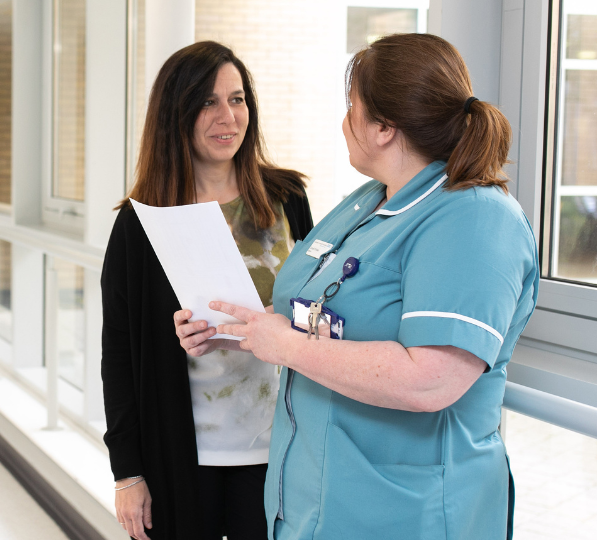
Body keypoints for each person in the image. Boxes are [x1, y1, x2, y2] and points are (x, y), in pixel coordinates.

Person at [182, 33, 538, 540]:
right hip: (314, 502)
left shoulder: (474, 218)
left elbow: (431, 380)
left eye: (352, 107)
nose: (345, 120)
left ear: (385, 127)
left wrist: (285, 346)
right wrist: (246, 330)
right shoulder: (369, 201)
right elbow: (322, 318)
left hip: (406, 513)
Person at [102, 41, 314, 540]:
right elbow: (119, 354)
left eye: (237, 99)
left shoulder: (288, 199)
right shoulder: (140, 224)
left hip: (280, 448)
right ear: (175, 114)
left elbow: (321, 305)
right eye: (207, 102)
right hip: (180, 456)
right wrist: (127, 474)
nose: (228, 117)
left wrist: (281, 320)